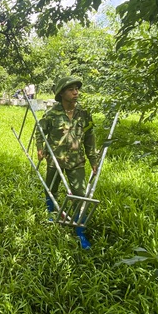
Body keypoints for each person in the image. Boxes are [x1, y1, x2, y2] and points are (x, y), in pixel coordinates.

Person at [35, 76, 99, 249]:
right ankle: (52, 214)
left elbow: (90, 138)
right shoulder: (52, 114)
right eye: (71, 89)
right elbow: (40, 131)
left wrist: (94, 159)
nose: (76, 92)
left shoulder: (84, 114)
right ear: (62, 93)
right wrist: (40, 147)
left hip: (77, 161)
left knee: (80, 194)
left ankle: (80, 230)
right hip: (55, 160)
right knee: (51, 188)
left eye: (77, 89)